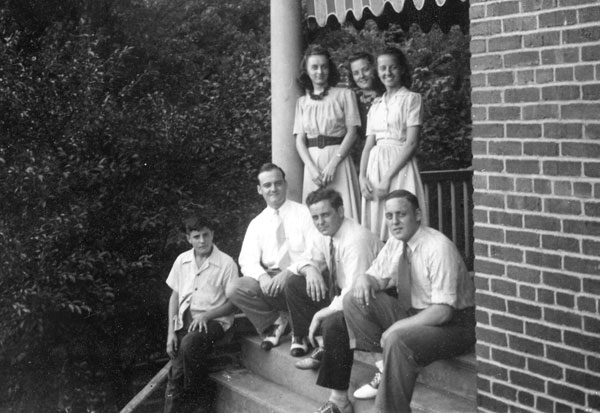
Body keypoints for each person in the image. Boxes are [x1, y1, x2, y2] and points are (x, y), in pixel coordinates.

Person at [345, 189, 476, 413]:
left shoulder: (438, 247)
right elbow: (378, 276)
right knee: (353, 299)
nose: (394, 222)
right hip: (416, 314)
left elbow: (443, 311)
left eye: (401, 214)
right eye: (389, 216)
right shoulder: (397, 242)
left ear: (417, 215)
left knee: (397, 338)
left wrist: (396, 326)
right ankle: (385, 368)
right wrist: (364, 278)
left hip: (454, 326)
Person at [226, 163, 314, 354]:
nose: (273, 189)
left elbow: (315, 252)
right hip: (271, 281)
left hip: (299, 279)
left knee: (294, 281)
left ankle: (300, 334)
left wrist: (290, 272)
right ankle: (276, 322)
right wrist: (262, 277)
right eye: (267, 185)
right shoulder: (257, 223)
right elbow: (246, 260)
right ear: (260, 189)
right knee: (235, 288)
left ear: (285, 184)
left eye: (277, 183)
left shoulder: (305, 214)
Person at [285, 188, 381, 359]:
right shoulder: (325, 232)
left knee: (331, 321)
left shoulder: (355, 240)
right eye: (315, 217)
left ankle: (324, 342)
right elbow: (303, 259)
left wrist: (321, 314)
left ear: (341, 211)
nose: (320, 222)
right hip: (344, 292)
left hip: (371, 298)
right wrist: (310, 269)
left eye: (325, 215)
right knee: (294, 283)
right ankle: (317, 341)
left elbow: (353, 292)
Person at [164, 214, 238, 413]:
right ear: (189, 238)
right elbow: (175, 296)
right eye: (196, 236)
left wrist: (207, 316)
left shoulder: (226, 263)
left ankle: (198, 404)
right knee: (176, 373)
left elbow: (234, 304)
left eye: (206, 235)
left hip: (214, 322)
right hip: (184, 323)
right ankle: (197, 403)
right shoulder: (182, 261)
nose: (202, 241)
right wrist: (171, 332)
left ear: (212, 234)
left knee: (189, 345)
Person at [359, 47, 428, 241]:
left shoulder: (411, 99)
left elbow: (412, 143)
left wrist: (387, 178)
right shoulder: (376, 105)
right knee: (377, 223)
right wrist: (362, 177)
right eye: (382, 68)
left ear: (402, 70)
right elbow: (368, 144)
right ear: (377, 71)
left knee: (402, 220)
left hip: (399, 166)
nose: (387, 73)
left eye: (393, 67)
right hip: (375, 167)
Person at [294, 44, 361, 222]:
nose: (320, 71)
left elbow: (352, 132)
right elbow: (300, 140)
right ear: (307, 70)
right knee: (316, 216)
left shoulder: (345, 95)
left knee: (345, 213)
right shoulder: (302, 102)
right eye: (314, 67)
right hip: (313, 163)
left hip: (338, 160)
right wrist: (311, 168)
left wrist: (333, 164)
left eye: (324, 66)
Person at [346, 51, 385, 168]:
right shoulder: (352, 101)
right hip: (360, 162)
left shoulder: (386, 95)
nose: (361, 76)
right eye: (356, 73)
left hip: (386, 156)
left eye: (365, 70)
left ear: (374, 69)